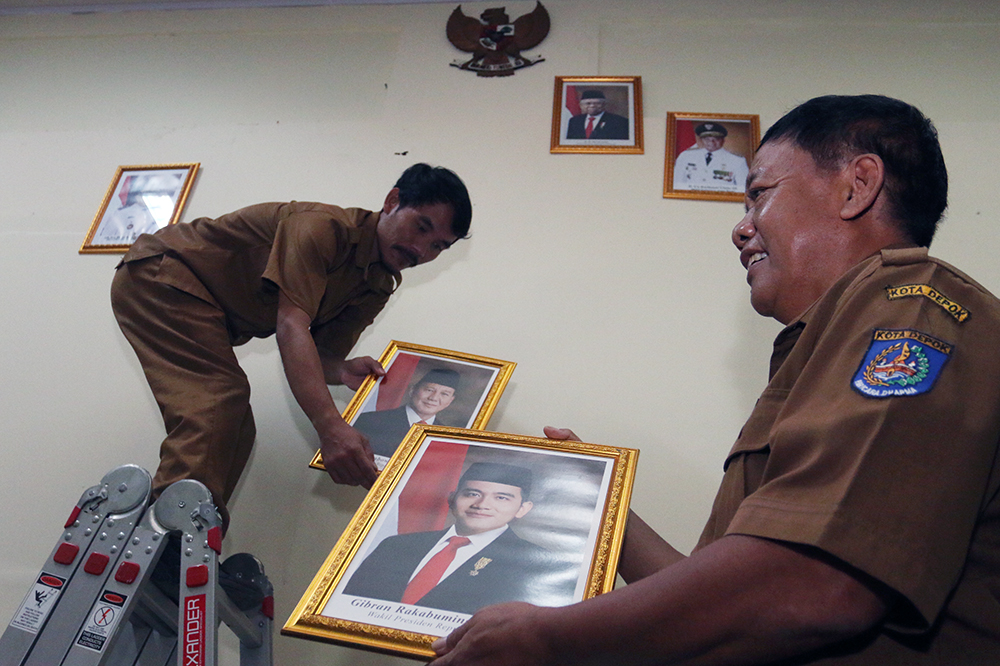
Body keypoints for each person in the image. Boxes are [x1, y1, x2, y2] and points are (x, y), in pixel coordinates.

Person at [431, 95, 1000, 665]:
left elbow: (814, 587)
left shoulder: (913, 312)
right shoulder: (830, 339)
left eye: (759, 193)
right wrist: (603, 510)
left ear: (857, 186)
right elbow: (731, 610)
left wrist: (548, 637)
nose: (741, 228)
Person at [110, 163, 472, 527]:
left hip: (205, 306)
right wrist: (329, 426)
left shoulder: (377, 282)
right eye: (421, 227)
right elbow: (291, 325)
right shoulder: (321, 228)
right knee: (219, 399)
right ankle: (164, 534)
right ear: (393, 201)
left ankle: (196, 532)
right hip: (164, 276)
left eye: (438, 246)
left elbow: (320, 355)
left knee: (235, 428)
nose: (420, 249)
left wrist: (343, 369)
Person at [343, 462, 575, 614]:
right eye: (472, 494)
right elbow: (348, 605)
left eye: (502, 498)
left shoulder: (537, 564)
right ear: (452, 499)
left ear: (523, 508)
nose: (482, 505)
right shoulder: (396, 546)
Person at [353, 368, 461, 461]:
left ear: (450, 401)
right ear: (412, 390)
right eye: (429, 390)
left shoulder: (445, 438)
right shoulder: (369, 420)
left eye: (444, 394)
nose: (433, 398)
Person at [672, 122, 750, 193]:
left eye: (716, 139)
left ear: (723, 140)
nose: (711, 142)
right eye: (707, 139)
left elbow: (744, 190)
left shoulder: (737, 161)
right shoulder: (685, 156)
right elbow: (677, 184)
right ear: (701, 140)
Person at [565, 90, 630, 140]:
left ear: (604, 104)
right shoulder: (574, 121)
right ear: (581, 105)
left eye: (597, 103)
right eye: (588, 103)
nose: (592, 106)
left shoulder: (620, 121)